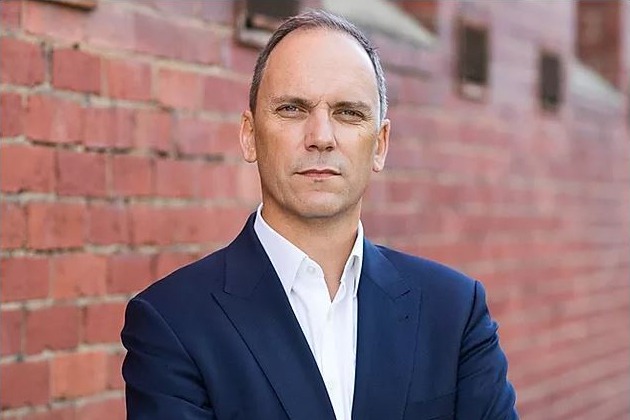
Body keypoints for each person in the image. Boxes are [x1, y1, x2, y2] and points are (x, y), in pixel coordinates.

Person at [121, 10, 518, 420]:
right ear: (250, 135)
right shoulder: (173, 322)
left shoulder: (453, 312)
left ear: (380, 145)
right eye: (293, 109)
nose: (321, 138)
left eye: (348, 112)